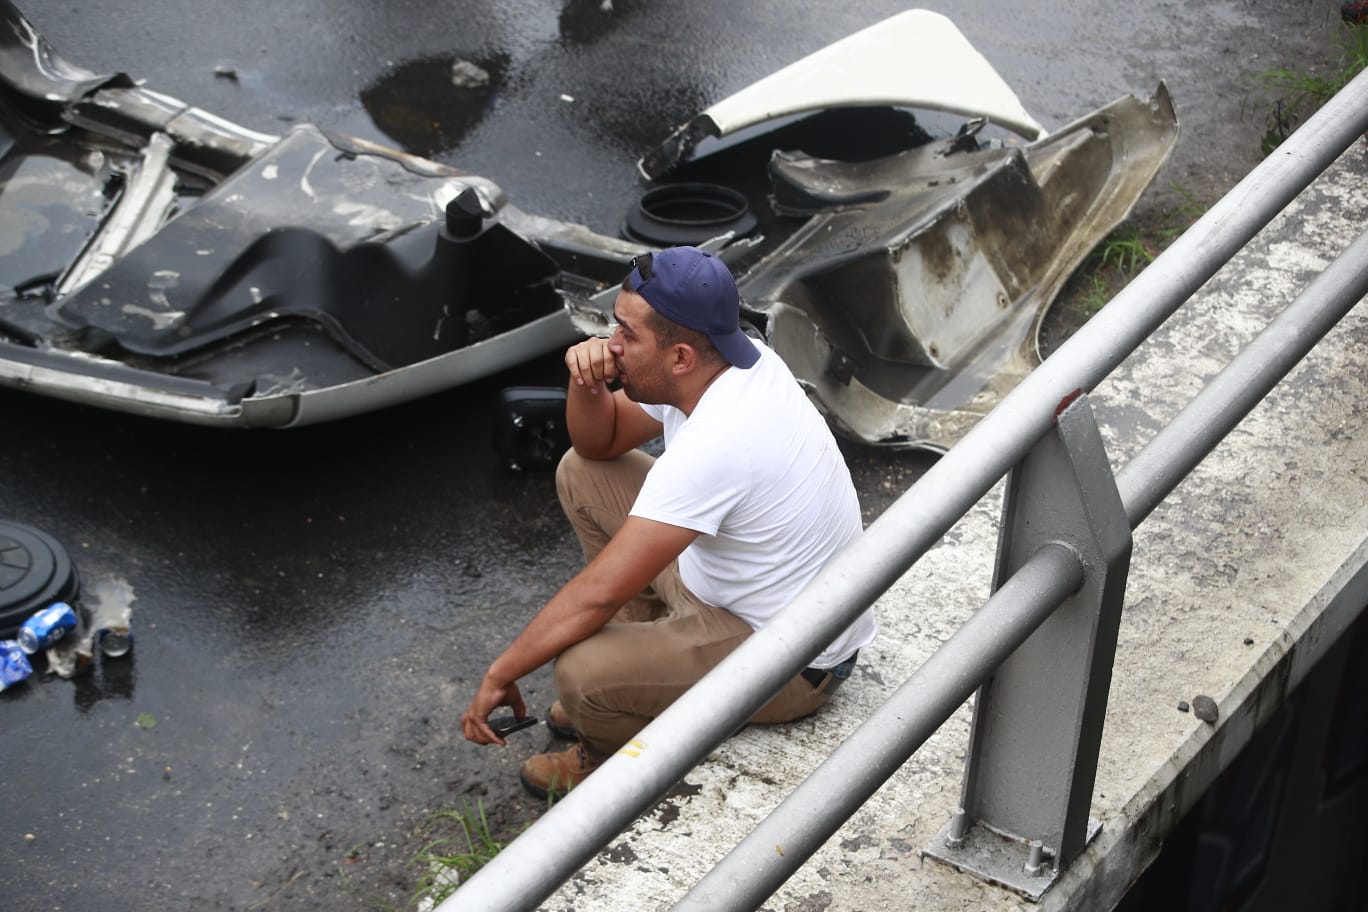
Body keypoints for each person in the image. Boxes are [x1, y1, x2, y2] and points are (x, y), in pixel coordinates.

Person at [460, 246, 877, 798]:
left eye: (626, 335)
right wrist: (586, 385)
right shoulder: (729, 359)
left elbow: (598, 595)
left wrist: (500, 672)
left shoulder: (722, 441)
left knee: (581, 672)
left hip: (791, 659)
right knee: (582, 472)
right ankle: (636, 671)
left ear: (679, 356)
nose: (611, 347)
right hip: (742, 592)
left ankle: (605, 760)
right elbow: (598, 442)